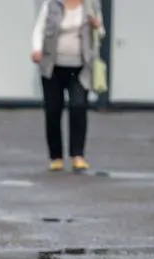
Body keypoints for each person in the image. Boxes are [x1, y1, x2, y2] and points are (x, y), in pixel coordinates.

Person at [31, 0, 104, 172]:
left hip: (80, 67)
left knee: (78, 106)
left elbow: (100, 33)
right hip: (52, 67)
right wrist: (36, 49)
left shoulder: (91, 5)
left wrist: (96, 26)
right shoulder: (51, 4)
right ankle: (56, 157)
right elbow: (38, 29)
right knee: (53, 110)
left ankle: (78, 155)